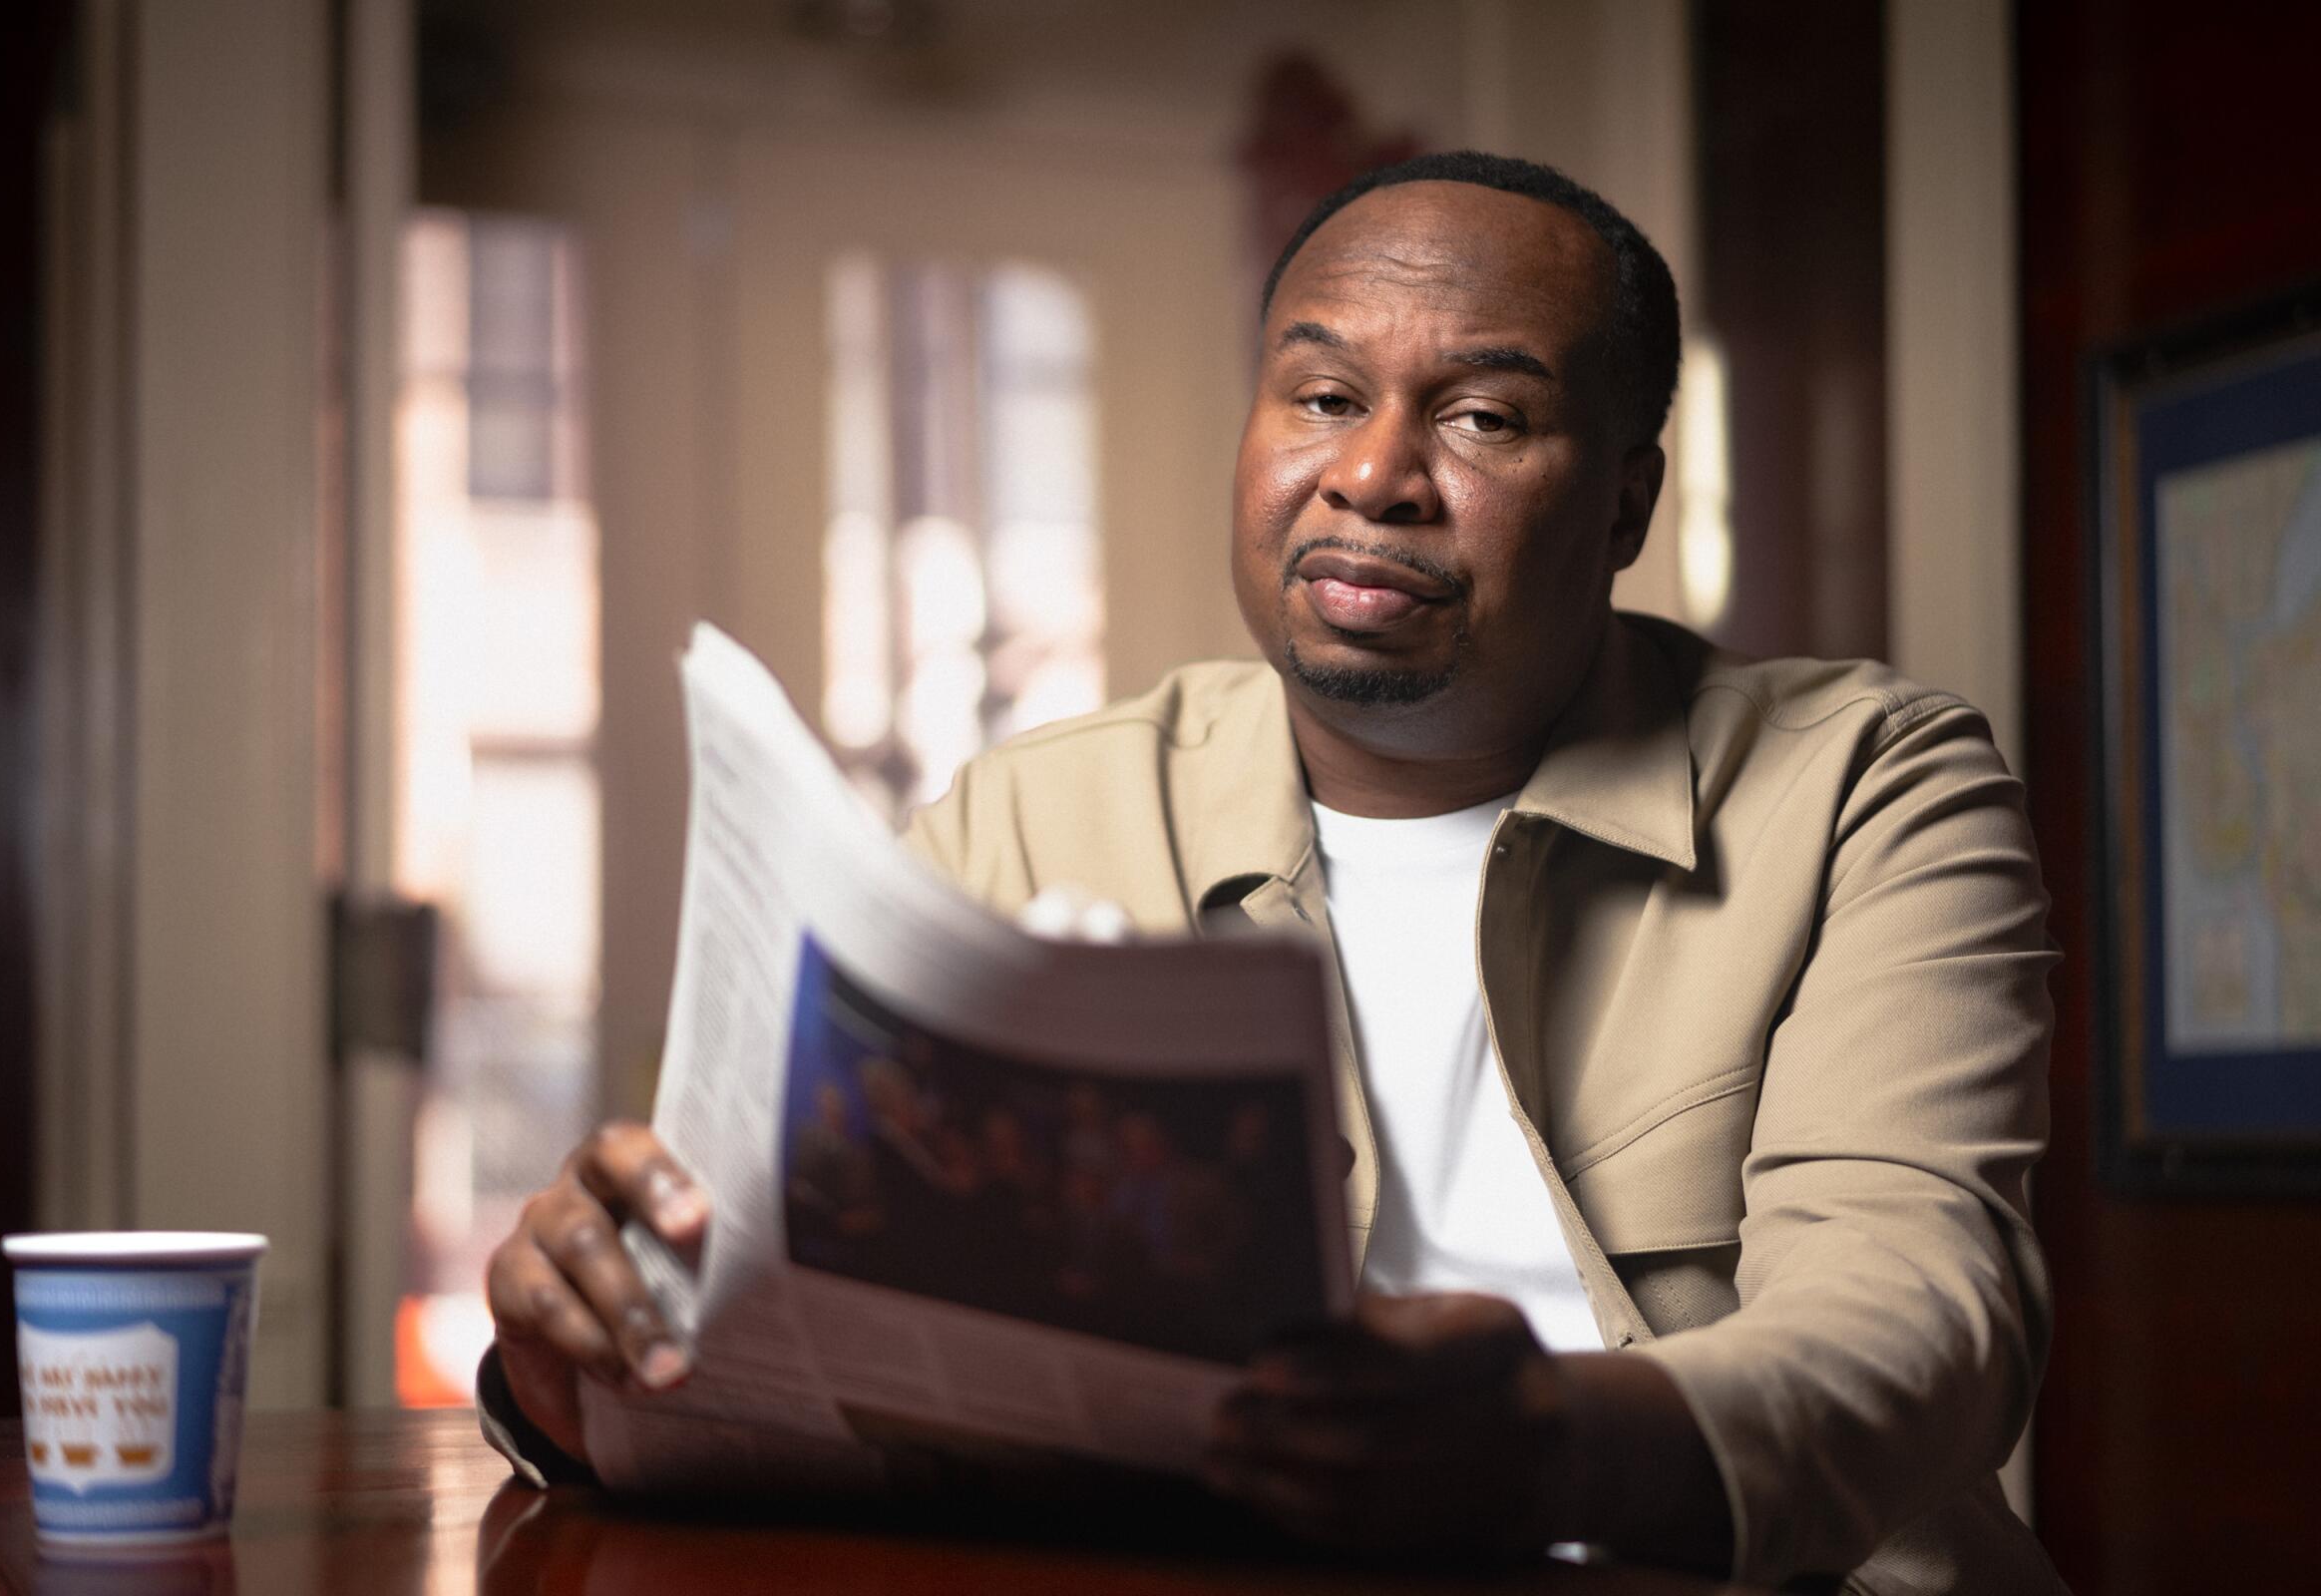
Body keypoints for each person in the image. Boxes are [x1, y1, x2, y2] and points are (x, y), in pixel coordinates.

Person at [480, 151, 2061, 1593]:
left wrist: (1551, 1447)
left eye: (1485, 417)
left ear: (1629, 500)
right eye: (1319, 397)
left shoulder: (1868, 784)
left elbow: (1922, 1315)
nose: (1373, 476)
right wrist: (590, 1358)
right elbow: (855, 1345)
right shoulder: (1034, 816)